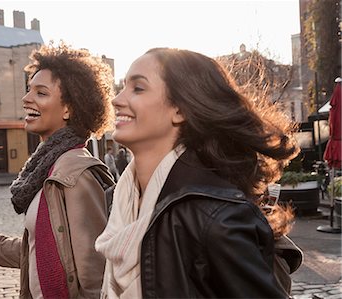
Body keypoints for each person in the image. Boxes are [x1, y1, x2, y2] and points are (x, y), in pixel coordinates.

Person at [95, 48, 303, 298]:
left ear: (180, 110)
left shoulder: (213, 218)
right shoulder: (118, 201)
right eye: (123, 87)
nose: (117, 100)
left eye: (138, 88)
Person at [0, 43, 115, 299]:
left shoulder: (75, 174)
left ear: (69, 108)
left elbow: (96, 276)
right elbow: (39, 254)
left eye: (41, 93)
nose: (27, 99)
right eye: (29, 90)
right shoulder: (47, 167)